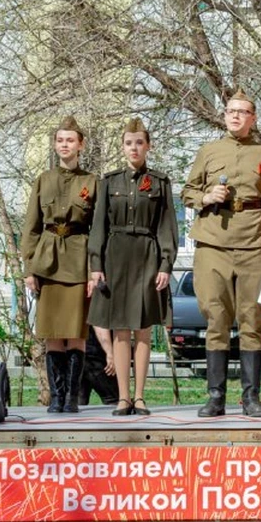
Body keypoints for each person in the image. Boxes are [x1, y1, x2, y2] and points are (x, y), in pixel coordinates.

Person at [181, 89, 261, 418]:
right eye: (230, 111)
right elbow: (187, 191)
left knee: (252, 321)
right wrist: (206, 196)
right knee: (216, 319)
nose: (235, 116)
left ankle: (250, 398)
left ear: (253, 118)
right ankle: (215, 397)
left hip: (255, 246)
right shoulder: (209, 151)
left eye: (242, 112)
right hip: (213, 245)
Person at [88, 118, 178, 416]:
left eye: (139, 142)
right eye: (129, 143)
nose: (134, 148)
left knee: (143, 328)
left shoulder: (160, 182)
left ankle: (140, 397)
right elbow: (98, 226)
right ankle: (123, 398)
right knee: (120, 328)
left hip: (147, 256)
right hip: (116, 256)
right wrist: (96, 264)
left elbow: (167, 226)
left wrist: (165, 263)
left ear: (148, 146)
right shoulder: (109, 181)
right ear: (123, 146)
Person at [21, 115, 96, 413]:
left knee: (76, 333)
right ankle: (56, 396)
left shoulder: (91, 182)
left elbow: (98, 231)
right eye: (60, 140)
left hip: (78, 260)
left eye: (70, 140)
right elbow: (31, 227)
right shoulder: (44, 179)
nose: (65, 145)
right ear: (55, 145)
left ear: (81, 145)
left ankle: (72, 398)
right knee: (53, 333)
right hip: (48, 261)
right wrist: (29, 268)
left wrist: (94, 270)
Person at [79, 326, 118, 406]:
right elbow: (100, 326)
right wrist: (110, 353)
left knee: (78, 402)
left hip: (78, 356)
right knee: (113, 399)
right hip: (97, 358)